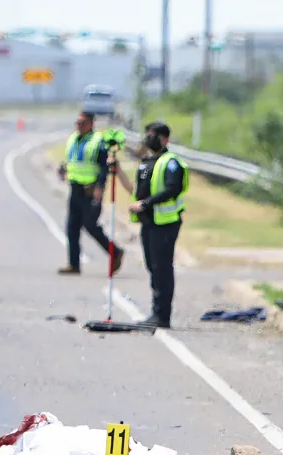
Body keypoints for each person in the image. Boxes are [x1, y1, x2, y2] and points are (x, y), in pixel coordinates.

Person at [106, 122, 188, 329]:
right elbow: (136, 190)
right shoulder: (147, 162)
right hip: (149, 223)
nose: (150, 137)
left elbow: (172, 189)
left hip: (165, 223)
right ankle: (156, 312)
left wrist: (146, 204)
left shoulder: (170, 163)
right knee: (153, 267)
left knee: (162, 268)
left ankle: (162, 315)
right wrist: (118, 171)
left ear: (165, 139)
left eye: (155, 135)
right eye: (148, 134)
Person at [57, 111, 124, 275]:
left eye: (83, 122)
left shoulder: (98, 142)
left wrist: (100, 188)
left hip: (90, 191)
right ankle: (74, 264)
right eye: (77, 122)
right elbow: (73, 160)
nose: (79, 125)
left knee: (91, 225)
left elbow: (103, 167)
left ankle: (115, 252)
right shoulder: (73, 139)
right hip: (75, 190)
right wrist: (64, 168)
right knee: (71, 228)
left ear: (91, 123)